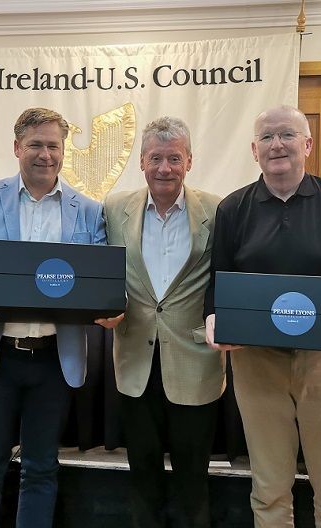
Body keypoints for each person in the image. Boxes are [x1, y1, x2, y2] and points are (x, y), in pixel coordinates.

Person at [205, 105, 321, 528]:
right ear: (254, 150)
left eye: (287, 135)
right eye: (267, 138)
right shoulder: (233, 209)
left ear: (307, 144)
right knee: (269, 490)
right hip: (257, 361)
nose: (277, 145)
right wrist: (215, 317)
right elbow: (218, 281)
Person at [0, 107, 110, 528]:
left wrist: (110, 303)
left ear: (63, 150)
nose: (45, 154)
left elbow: (101, 280)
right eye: (36, 144)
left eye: (54, 145)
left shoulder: (89, 211)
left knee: (41, 469)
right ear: (17, 147)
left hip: (55, 360)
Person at [102, 116, 223, 528]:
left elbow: (224, 278)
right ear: (141, 161)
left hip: (195, 360)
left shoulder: (217, 209)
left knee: (193, 480)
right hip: (135, 359)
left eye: (174, 158)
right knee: (143, 476)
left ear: (189, 161)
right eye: (156, 157)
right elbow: (102, 272)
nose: (164, 167)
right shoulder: (115, 208)